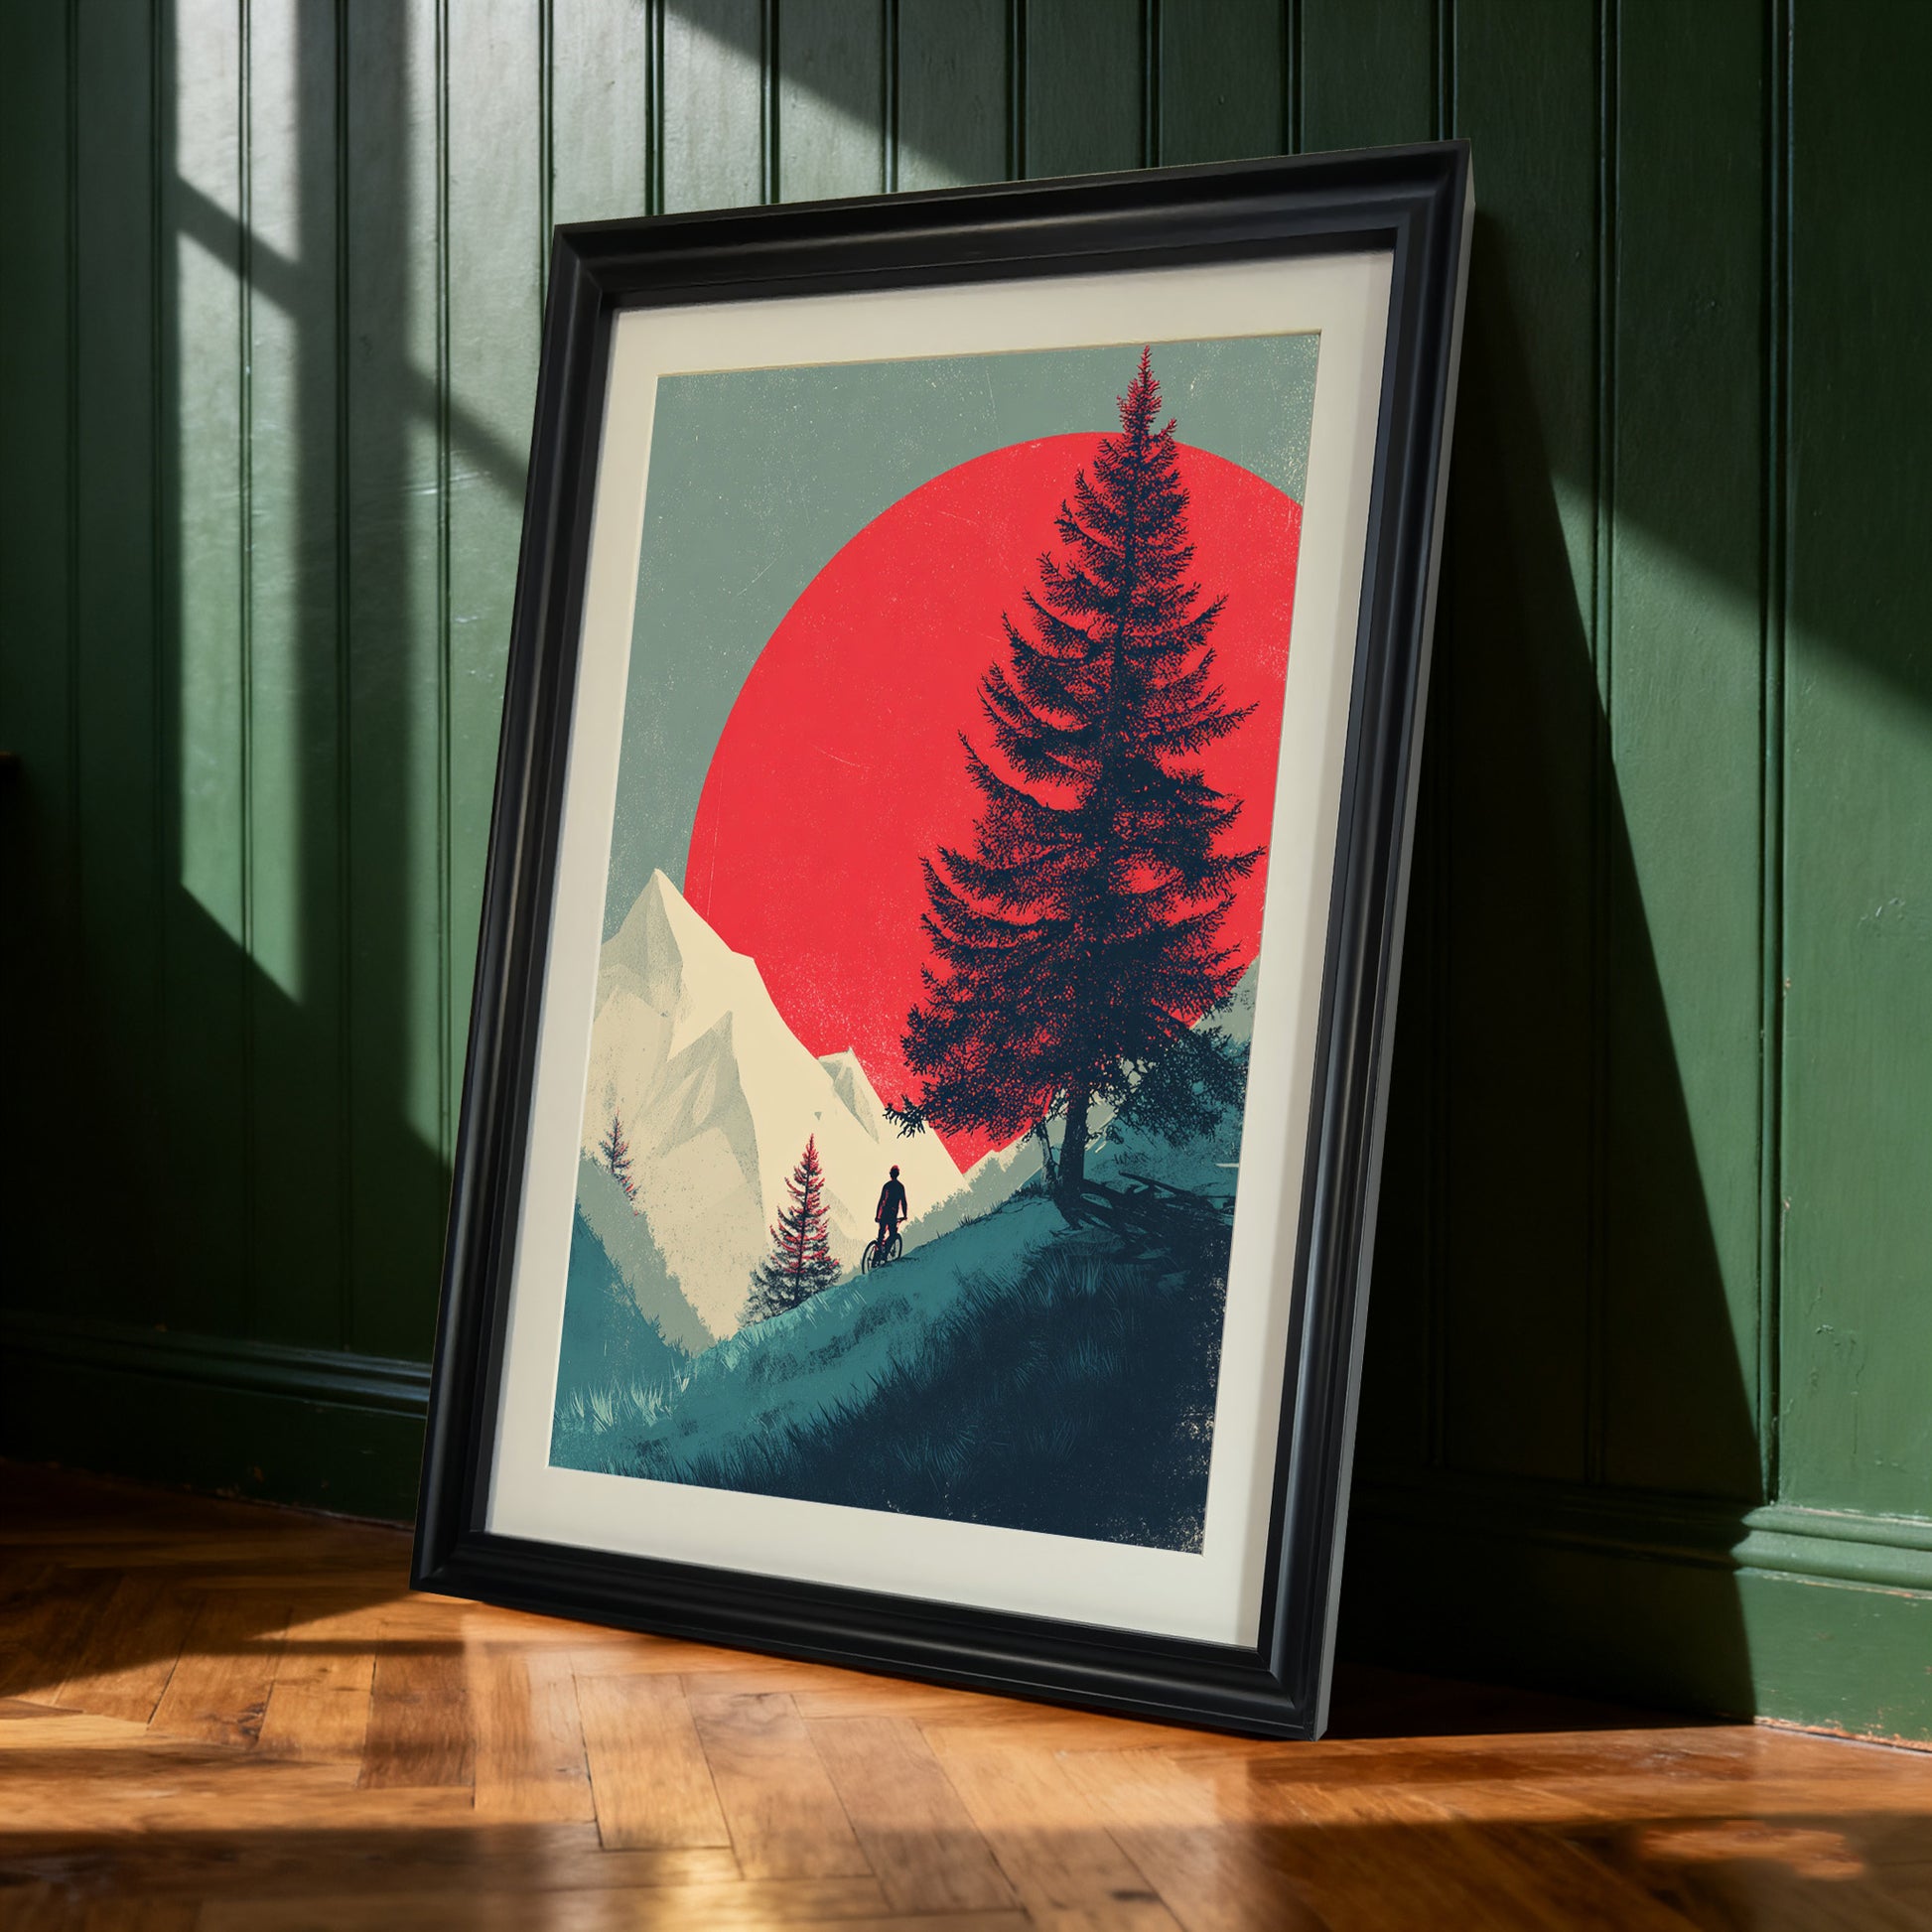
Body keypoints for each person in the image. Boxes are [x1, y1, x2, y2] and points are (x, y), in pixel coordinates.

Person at [874, 1165, 908, 1261]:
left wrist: (877, 1215)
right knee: (893, 1234)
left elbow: (881, 1201)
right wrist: (905, 1215)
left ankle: (876, 1254)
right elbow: (903, 1202)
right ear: (898, 1174)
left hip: (884, 1213)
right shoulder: (900, 1186)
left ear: (890, 1174)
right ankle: (884, 1254)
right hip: (892, 1214)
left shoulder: (886, 1185)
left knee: (881, 1234)